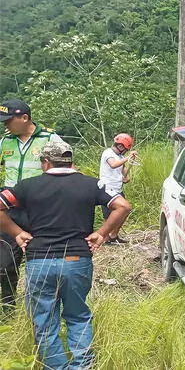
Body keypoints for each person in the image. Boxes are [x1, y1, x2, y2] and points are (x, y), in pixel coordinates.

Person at [0, 141, 131, 369]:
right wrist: (101, 234)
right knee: (78, 316)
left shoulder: (28, 186)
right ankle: (81, 366)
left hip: (39, 259)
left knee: (44, 321)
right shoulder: (91, 184)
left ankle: (57, 367)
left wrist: (18, 233)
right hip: (77, 259)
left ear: (45, 162)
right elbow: (123, 206)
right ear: (71, 161)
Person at [0, 99, 63, 312]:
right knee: (6, 261)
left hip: (40, 210)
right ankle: (8, 308)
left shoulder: (50, 139)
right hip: (8, 211)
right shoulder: (5, 142)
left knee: (41, 261)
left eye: (9, 120)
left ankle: (41, 307)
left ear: (25, 118)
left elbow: (64, 171)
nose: (5, 125)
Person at [99, 133, 137, 244]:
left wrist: (126, 176)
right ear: (120, 146)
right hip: (107, 189)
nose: (125, 151)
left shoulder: (120, 157)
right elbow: (113, 164)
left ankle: (114, 235)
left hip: (117, 189)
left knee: (124, 212)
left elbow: (122, 168)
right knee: (109, 216)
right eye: (125, 149)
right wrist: (128, 157)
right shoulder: (108, 153)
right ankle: (104, 238)